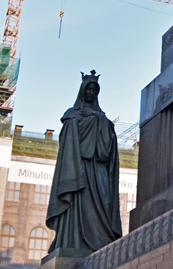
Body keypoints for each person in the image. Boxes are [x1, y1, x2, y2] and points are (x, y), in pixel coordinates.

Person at [46, 70, 123, 255]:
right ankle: (73, 240)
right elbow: (67, 141)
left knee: (104, 200)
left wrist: (104, 126)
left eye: (94, 90)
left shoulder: (102, 118)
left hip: (98, 167)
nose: (91, 92)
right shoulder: (72, 115)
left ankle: (102, 238)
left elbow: (107, 149)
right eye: (88, 88)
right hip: (78, 168)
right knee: (77, 201)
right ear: (82, 91)